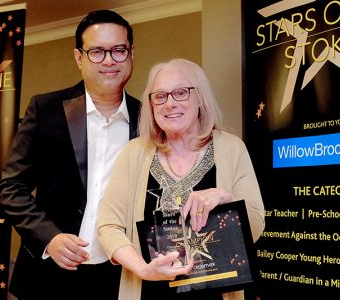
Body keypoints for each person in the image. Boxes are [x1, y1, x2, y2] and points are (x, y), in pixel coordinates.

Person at [0, 10, 141, 300]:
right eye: (97, 52)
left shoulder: (147, 118)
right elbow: (11, 188)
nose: (109, 60)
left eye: (119, 50)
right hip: (49, 273)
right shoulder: (46, 108)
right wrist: (50, 238)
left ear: (131, 54)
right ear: (79, 58)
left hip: (121, 275)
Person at [97, 58, 265, 300]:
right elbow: (108, 226)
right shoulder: (134, 153)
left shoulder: (231, 148)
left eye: (180, 93)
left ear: (200, 98)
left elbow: (256, 224)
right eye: (160, 96)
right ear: (151, 105)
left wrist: (226, 198)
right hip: (147, 292)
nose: (170, 104)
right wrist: (143, 269)